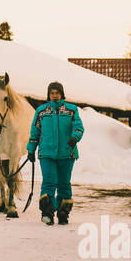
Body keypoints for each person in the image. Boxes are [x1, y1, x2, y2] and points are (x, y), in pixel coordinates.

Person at [27, 81, 83, 225]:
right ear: (48, 95)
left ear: (62, 94)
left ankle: (63, 213)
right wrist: (31, 149)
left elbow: (78, 126)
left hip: (67, 153)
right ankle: (47, 213)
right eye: (52, 93)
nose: (55, 95)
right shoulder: (41, 111)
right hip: (46, 153)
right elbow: (35, 131)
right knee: (49, 182)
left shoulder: (71, 110)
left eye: (57, 93)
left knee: (64, 183)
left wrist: (74, 137)